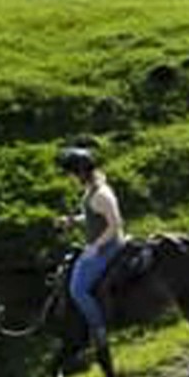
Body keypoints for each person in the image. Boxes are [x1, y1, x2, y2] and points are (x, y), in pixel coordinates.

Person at [57, 146, 126, 349]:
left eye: (71, 173)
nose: (69, 177)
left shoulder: (100, 195)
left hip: (109, 245)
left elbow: (115, 225)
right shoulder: (92, 189)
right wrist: (72, 221)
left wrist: (94, 248)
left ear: (80, 172)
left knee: (77, 289)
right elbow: (92, 216)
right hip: (101, 243)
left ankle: (99, 330)